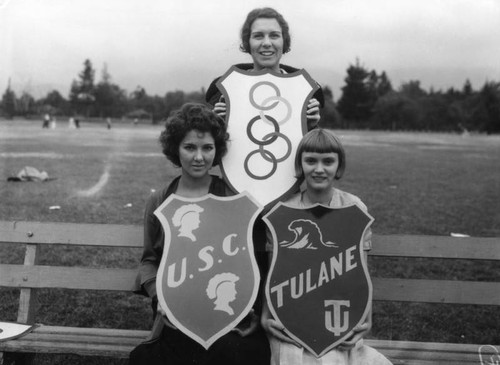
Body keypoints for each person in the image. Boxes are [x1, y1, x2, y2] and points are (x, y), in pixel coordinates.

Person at [130, 103, 270, 365]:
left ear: (217, 151)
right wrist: (161, 298)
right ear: (175, 149)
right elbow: (149, 261)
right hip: (174, 311)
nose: (199, 157)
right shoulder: (161, 200)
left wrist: (249, 306)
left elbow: (247, 260)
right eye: (190, 147)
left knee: (234, 352)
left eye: (207, 148)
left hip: (225, 311)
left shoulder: (231, 196)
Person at [261, 129, 392, 365]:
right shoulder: (283, 212)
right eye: (311, 161)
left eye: (328, 161)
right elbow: (273, 275)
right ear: (300, 165)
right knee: (293, 355)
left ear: (339, 166)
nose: (319, 169)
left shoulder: (354, 208)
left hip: (336, 319)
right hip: (292, 320)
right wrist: (265, 317)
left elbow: (361, 276)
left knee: (335, 356)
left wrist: (366, 320)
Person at [205, 7, 324, 130]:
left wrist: (310, 128)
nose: (267, 43)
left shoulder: (302, 91)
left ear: (284, 41)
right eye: (258, 36)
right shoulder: (226, 90)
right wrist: (216, 127)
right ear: (248, 42)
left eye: (274, 36)